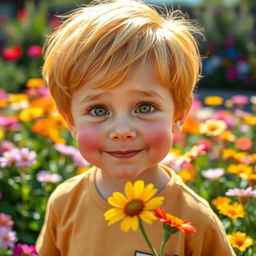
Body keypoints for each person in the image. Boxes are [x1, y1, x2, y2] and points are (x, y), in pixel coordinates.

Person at [36, 0, 236, 255]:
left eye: (144, 107)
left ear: (179, 115)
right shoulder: (64, 204)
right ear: (71, 122)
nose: (122, 130)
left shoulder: (194, 218)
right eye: (99, 110)